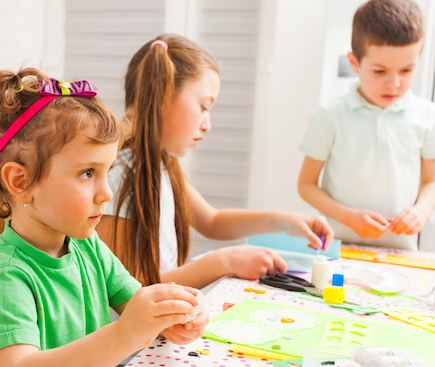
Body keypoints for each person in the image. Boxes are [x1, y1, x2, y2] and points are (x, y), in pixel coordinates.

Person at [0, 67, 208, 367]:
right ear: (21, 182)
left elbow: (135, 302)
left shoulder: (87, 246)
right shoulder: (6, 278)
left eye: (106, 171)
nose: (106, 193)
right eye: (87, 173)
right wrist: (125, 334)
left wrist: (169, 316)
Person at [96, 33, 334, 289]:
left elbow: (212, 221)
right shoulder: (118, 177)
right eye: (203, 107)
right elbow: (128, 291)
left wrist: (285, 221)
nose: (207, 125)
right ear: (163, 94)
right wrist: (224, 261)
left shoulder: (158, 165)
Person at [297, 0, 435, 251]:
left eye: (406, 70)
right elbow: (306, 185)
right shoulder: (331, 115)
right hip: (338, 248)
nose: (394, 84)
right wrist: (347, 216)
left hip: (401, 252)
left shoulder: (427, 115)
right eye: (380, 71)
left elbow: (432, 182)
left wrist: (421, 212)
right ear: (355, 63)